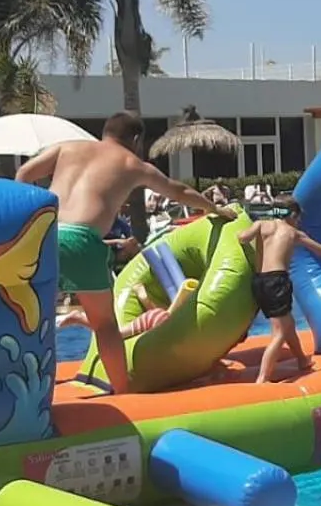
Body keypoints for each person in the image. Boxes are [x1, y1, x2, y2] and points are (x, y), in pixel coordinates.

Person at [16, 111, 234, 393]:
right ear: (135, 139)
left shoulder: (68, 146)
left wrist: (25, 222)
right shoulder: (133, 164)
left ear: (105, 131)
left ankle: (31, 390)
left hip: (43, 234)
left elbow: (23, 174)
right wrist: (214, 208)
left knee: (35, 319)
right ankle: (122, 393)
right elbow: (177, 191)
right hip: (82, 240)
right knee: (105, 325)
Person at [237, 197, 321, 385]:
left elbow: (242, 238)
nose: (298, 221)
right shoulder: (293, 233)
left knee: (288, 323)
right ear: (292, 214)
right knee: (280, 332)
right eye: (297, 218)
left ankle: (302, 360)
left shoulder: (261, 225)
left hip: (259, 281)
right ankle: (263, 379)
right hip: (277, 281)